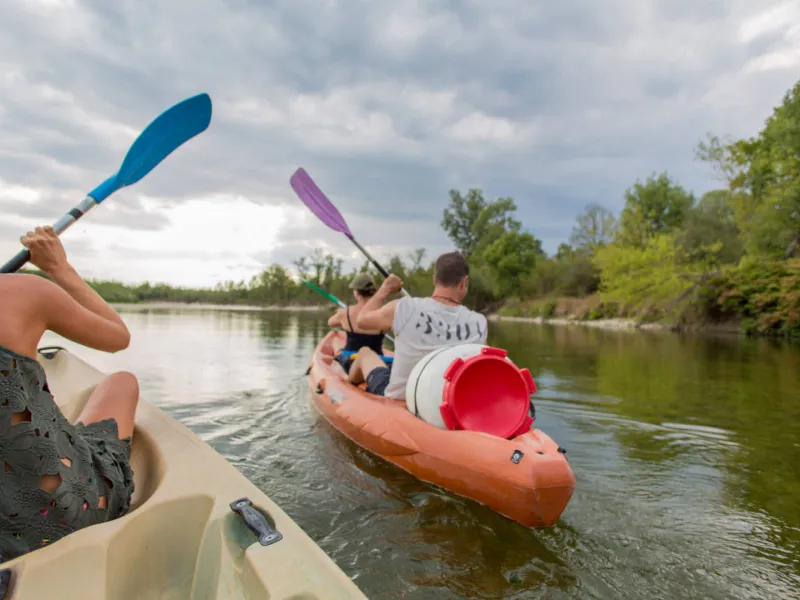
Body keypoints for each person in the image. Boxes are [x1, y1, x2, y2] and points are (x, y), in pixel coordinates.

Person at [0, 226, 139, 561]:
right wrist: (58, 267)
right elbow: (117, 337)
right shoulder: (21, 291)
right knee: (123, 382)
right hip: (62, 515)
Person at [348, 251, 488, 400]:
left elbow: (361, 320)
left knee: (364, 353)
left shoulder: (404, 307)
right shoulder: (479, 322)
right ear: (464, 282)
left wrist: (386, 288)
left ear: (435, 279)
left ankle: (347, 386)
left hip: (401, 397)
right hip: (447, 399)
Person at [327, 272, 386, 373]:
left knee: (338, 350)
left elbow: (330, 322)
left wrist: (341, 313)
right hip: (378, 361)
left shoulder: (345, 313)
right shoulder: (385, 312)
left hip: (350, 362)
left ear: (357, 293)